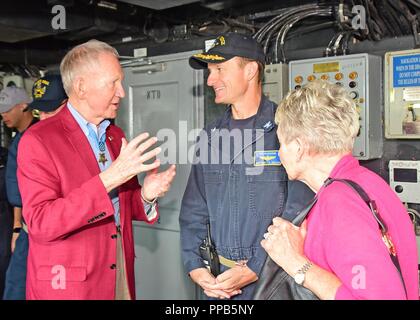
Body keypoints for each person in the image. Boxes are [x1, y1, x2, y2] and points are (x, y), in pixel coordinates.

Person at [17, 39, 176, 300]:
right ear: (81, 87)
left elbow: (121, 206)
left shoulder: (114, 135)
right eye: (113, 82)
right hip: (70, 284)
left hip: (119, 269)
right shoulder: (39, 140)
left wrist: (146, 195)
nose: (122, 92)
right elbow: (41, 223)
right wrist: (109, 178)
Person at [179, 33, 314, 300]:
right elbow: (194, 209)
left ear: (250, 70)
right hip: (220, 286)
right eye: (209, 71)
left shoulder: (285, 131)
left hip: (274, 283)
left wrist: (255, 267)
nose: (210, 80)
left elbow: (299, 212)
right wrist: (195, 266)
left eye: (219, 69)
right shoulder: (211, 136)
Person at [262, 80, 419, 300]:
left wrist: (295, 262)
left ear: (298, 148)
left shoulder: (340, 203)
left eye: (281, 144)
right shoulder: (368, 182)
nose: (279, 153)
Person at [2, 74, 68, 300]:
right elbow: (17, 191)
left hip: (68, 238)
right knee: (17, 288)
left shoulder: (86, 140)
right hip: (32, 232)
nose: (44, 117)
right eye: (40, 111)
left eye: (51, 110)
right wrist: (18, 228)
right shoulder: (28, 140)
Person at [0, 86, 36, 300]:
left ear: (24, 106)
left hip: (33, 227)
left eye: (7, 109)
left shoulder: (36, 137)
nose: (3, 114)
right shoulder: (18, 140)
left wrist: (16, 229)